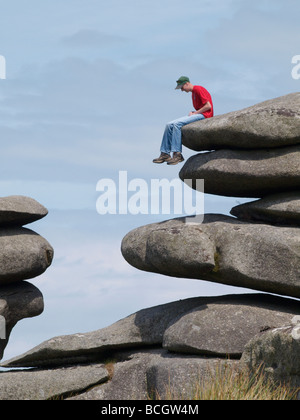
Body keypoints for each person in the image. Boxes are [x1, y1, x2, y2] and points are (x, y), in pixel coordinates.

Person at [153, 76, 214, 165]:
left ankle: (177, 154)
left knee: (177, 124)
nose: (182, 90)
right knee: (169, 124)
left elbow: (208, 106)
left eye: (182, 87)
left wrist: (196, 113)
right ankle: (165, 153)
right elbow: (202, 107)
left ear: (187, 84)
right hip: (199, 114)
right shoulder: (193, 93)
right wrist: (194, 112)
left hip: (205, 115)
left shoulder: (198, 89)